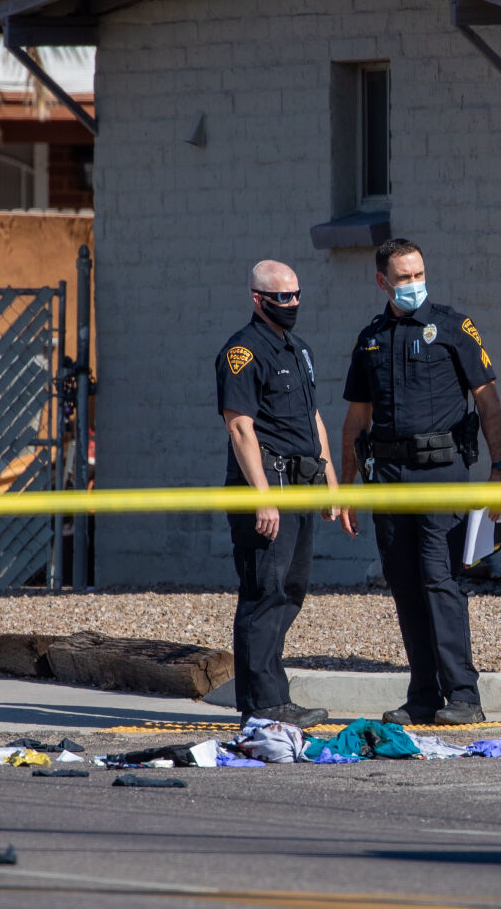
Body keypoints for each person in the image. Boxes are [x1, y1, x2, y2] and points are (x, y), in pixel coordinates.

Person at [341, 238, 501, 727]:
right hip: (389, 478)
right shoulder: (370, 339)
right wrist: (347, 488)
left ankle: (463, 696)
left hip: (442, 473)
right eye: (403, 277)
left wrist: (500, 470)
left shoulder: (454, 326)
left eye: (419, 274)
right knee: (405, 585)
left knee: (441, 582)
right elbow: (356, 420)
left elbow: (489, 402)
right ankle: (423, 695)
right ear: (382, 282)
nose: (414, 284)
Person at [216, 259, 356, 731]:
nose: (292, 303)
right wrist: (263, 497)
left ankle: (274, 696)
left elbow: (313, 418)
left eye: (296, 295)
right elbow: (240, 427)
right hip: (268, 484)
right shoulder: (242, 352)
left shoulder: (299, 349)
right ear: (258, 298)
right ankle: (261, 703)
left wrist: (331, 482)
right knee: (264, 591)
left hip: (300, 483)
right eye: (282, 297)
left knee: (290, 590)